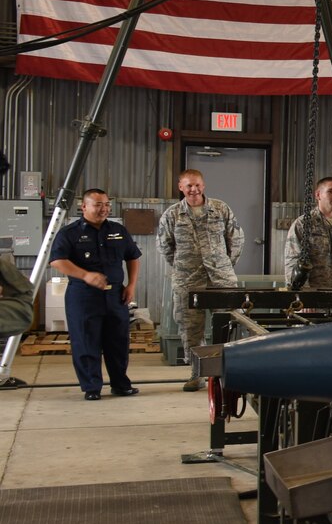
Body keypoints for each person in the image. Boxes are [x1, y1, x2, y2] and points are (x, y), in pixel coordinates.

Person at [48, 189, 141, 399]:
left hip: (116, 295)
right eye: (98, 205)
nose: (104, 209)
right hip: (83, 295)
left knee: (118, 342)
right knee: (86, 341)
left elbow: (133, 257)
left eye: (107, 204)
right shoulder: (69, 233)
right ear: (84, 207)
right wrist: (85, 275)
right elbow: (58, 261)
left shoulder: (118, 230)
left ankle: (120, 384)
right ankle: (92, 388)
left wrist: (131, 285)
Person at [157, 167, 243, 390]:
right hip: (188, 282)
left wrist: (224, 265)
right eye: (188, 186)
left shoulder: (220, 209)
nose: (193, 189)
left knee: (227, 325)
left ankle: (228, 373)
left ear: (203, 186)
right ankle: (197, 374)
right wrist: (183, 268)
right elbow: (165, 247)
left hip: (221, 280)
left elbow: (236, 239)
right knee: (190, 329)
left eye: (197, 185)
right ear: (181, 187)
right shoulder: (172, 215)